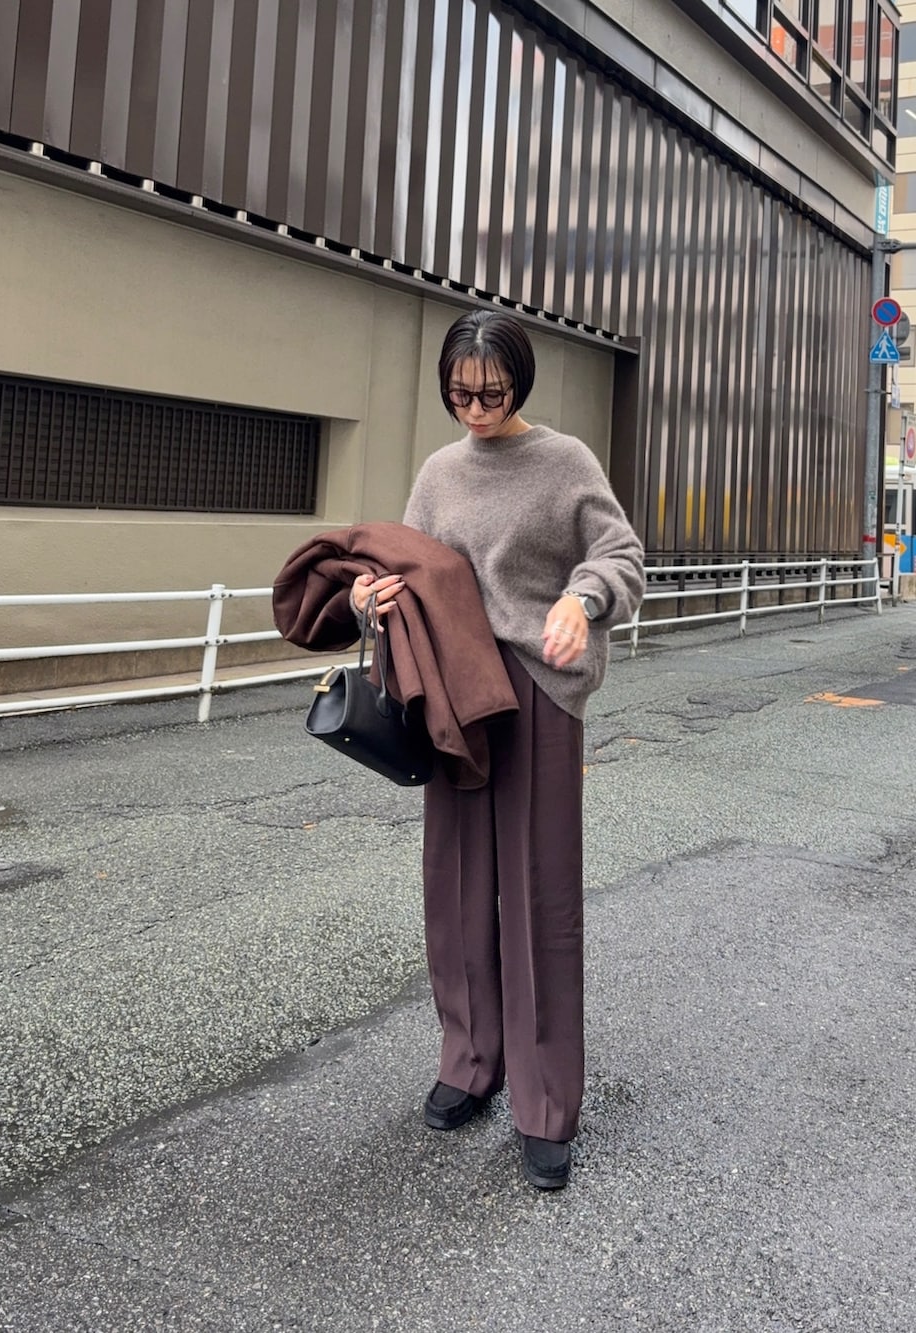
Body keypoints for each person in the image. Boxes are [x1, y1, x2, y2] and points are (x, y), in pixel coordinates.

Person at [351, 309, 645, 1189]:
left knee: (540, 889)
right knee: (456, 882)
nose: (476, 410)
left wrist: (582, 600)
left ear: (521, 382)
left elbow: (622, 553)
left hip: (538, 690)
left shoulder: (566, 461)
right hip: (453, 690)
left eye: (493, 393)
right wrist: (370, 597)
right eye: (460, 394)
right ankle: (470, 1059)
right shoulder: (440, 472)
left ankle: (546, 1101)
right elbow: (407, 566)